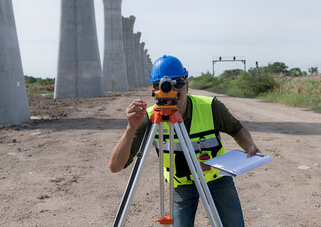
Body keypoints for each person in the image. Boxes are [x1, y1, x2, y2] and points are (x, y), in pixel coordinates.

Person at [109, 55, 261, 227]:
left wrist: (249, 145)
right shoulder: (150, 118)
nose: (174, 90)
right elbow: (115, 167)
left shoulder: (210, 106)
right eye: (166, 85)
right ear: (154, 90)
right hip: (181, 183)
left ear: (187, 86)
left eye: (178, 83)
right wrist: (130, 128)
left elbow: (236, 129)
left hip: (215, 178)